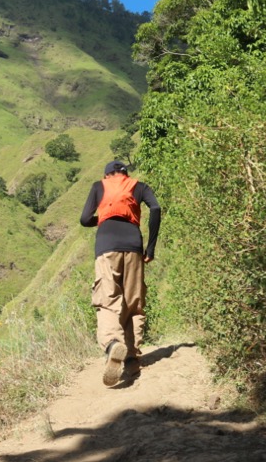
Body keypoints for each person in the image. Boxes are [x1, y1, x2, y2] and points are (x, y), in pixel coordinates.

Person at [80, 160, 161, 387]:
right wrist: (151, 247)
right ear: (126, 175)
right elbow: (155, 208)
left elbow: (85, 219)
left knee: (107, 300)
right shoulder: (139, 186)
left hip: (107, 245)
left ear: (107, 175)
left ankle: (112, 344)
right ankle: (132, 359)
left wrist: (103, 219)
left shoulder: (99, 186)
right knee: (133, 302)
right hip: (134, 245)